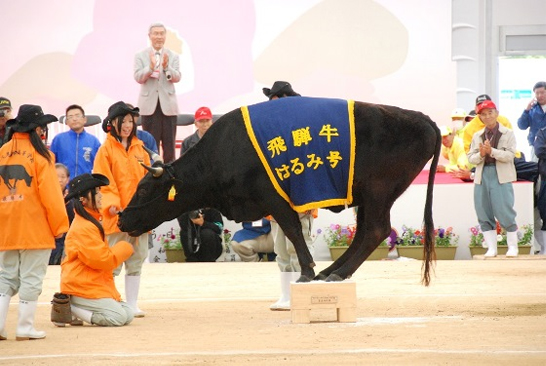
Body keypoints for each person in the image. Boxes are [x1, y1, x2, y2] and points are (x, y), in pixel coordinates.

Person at [0, 104, 69, 341]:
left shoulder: (2, 151)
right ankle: (25, 327)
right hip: (35, 228)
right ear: (38, 129)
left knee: (5, 277)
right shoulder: (43, 156)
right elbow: (51, 195)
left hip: (5, 227)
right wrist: (60, 226)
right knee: (31, 277)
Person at [52, 173, 135, 327]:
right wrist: (125, 247)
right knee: (117, 318)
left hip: (93, 285)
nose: (101, 196)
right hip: (81, 287)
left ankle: (77, 307)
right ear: (83, 200)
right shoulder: (83, 227)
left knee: (128, 314)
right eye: (96, 192)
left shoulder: (91, 221)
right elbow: (102, 260)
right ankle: (70, 307)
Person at [93, 101, 151, 317]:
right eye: (123, 121)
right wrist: (112, 205)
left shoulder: (140, 148)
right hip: (116, 215)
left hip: (139, 215)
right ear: (113, 123)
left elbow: (147, 182)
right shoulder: (105, 150)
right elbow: (104, 182)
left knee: (137, 258)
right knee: (114, 260)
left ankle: (132, 304)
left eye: (130, 121)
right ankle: (110, 301)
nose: (128, 125)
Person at [262, 81, 315, 311]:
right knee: (281, 251)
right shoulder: (270, 132)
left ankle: (301, 294)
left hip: (300, 200)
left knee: (298, 248)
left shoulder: (304, 130)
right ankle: (286, 295)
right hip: (277, 202)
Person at [467, 100, 518, 258]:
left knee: (504, 209)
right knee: (483, 210)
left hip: (500, 175)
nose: (487, 116)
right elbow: (470, 157)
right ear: (480, 117)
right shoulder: (477, 135)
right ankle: (491, 248)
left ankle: (512, 246)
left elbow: (510, 155)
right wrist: (481, 154)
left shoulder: (507, 133)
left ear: (496, 113)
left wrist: (492, 151)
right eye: (483, 114)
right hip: (482, 175)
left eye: (490, 113)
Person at [134, 22, 181, 163]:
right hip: (149, 107)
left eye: (161, 34)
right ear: (150, 36)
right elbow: (138, 77)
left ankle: (170, 178)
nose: (159, 37)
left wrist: (166, 68)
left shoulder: (173, 56)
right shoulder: (140, 55)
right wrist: (150, 68)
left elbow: (177, 77)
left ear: (165, 36)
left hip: (168, 107)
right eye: (156, 34)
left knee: (170, 148)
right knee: (150, 146)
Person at [50, 104, 102, 179]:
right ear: (67, 122)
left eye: (77, 116)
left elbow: (99, 166)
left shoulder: (94, 141)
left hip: (86, 186)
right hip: (64, 186)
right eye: (70, 117)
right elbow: (51, 164)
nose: (74, 119)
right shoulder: (58, 140)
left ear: (85, 119)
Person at [49, 163, 75, 265]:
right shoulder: (45, 196)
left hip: (64, 240)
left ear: (68, 179)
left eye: (63, 177)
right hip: (48, 239)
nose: (59, 180)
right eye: (56, 176)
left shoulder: (71, 200)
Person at [517, 81, 546, 161]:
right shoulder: (532, 109)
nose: (540, 96)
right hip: (536, 146)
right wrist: (526, 110)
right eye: (537, 93)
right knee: (536, 169)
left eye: (542, 92)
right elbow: (522, 126)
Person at [532, 126, 546, 255]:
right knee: (544, 211)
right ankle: (544, 249)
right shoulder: (542, 132)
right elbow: (540, 151)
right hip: (545, 179)